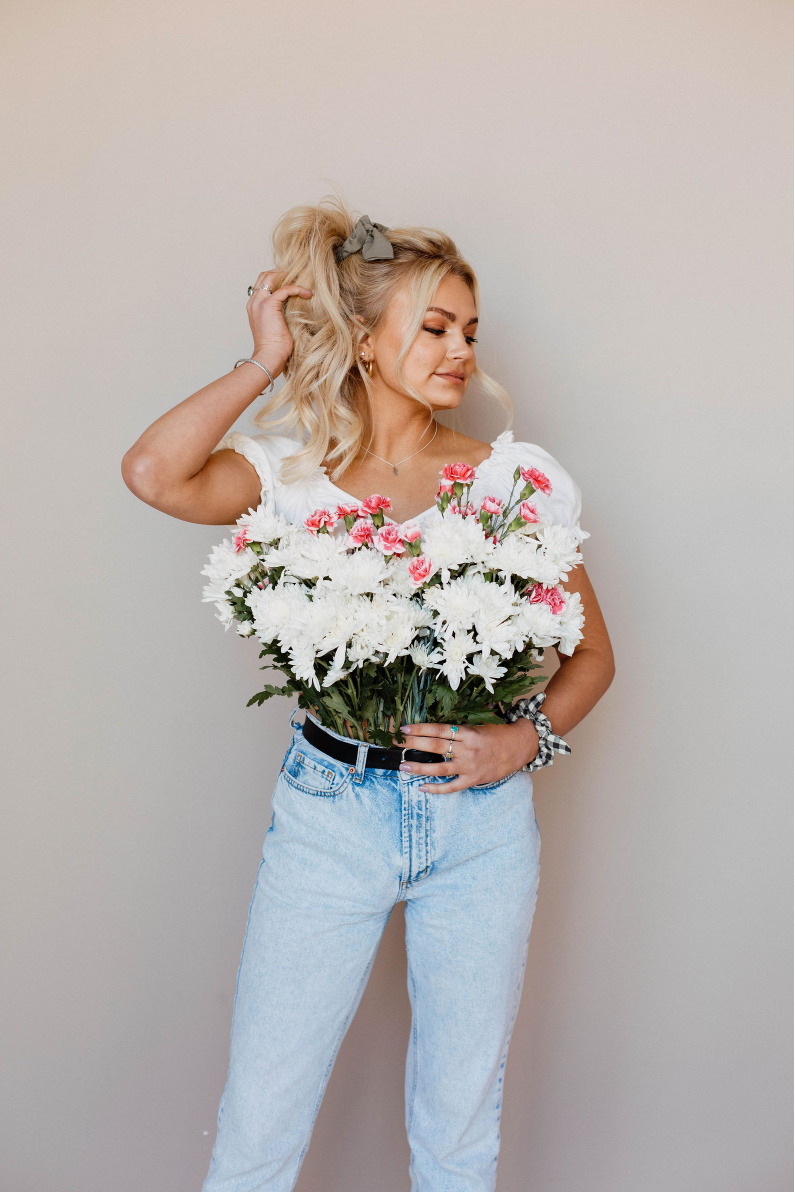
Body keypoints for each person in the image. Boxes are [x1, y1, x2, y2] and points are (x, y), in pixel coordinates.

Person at [122, 199, 614, 1192]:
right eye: (433, 327)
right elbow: (154, 473)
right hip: (328, 815)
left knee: (458, 1131)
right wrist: (264, 361)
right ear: (360, 338)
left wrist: (520, 743)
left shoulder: (513, 482)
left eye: (468, 331)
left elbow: (594, 657)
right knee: (260, 1123)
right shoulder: (290, 474)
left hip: (479, 826)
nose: (460, 351)